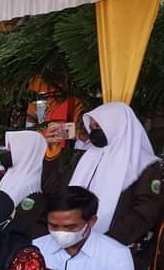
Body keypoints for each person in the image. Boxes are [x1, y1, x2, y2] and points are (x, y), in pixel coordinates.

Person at [66, 102, 164, 247]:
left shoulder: (144, 163)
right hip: (73, 239)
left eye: (98, 126)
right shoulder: (88, 155)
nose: (94, 131)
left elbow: (144, 212)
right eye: (92, 127)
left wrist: (105, 241)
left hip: (115, 245)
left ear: (117, 126)